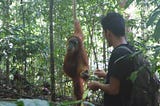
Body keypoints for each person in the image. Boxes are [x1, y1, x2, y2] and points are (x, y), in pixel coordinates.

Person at [88, 12, 135, 106]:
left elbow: (113, 90)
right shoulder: (130, 49)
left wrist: (97, 85)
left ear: (108, 33)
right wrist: (106, 75)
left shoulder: (118, 53)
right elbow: (124, 79)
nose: (104, 36)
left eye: (103, 32)